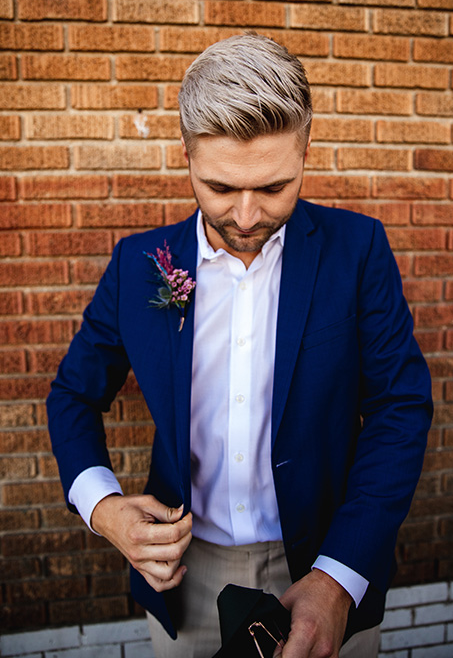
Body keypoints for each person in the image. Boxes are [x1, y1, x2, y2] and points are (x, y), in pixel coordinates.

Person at [47, 33, 432, 658]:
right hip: (183, 580)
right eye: (222, 189)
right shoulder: (140, 264)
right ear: (187, 156)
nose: (247, 217)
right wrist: (104, 508)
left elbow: (400, 408)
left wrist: (339, 579)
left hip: (326, 565)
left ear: (306, 152)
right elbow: (71, 395)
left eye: (275, 187)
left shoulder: (359, 250)